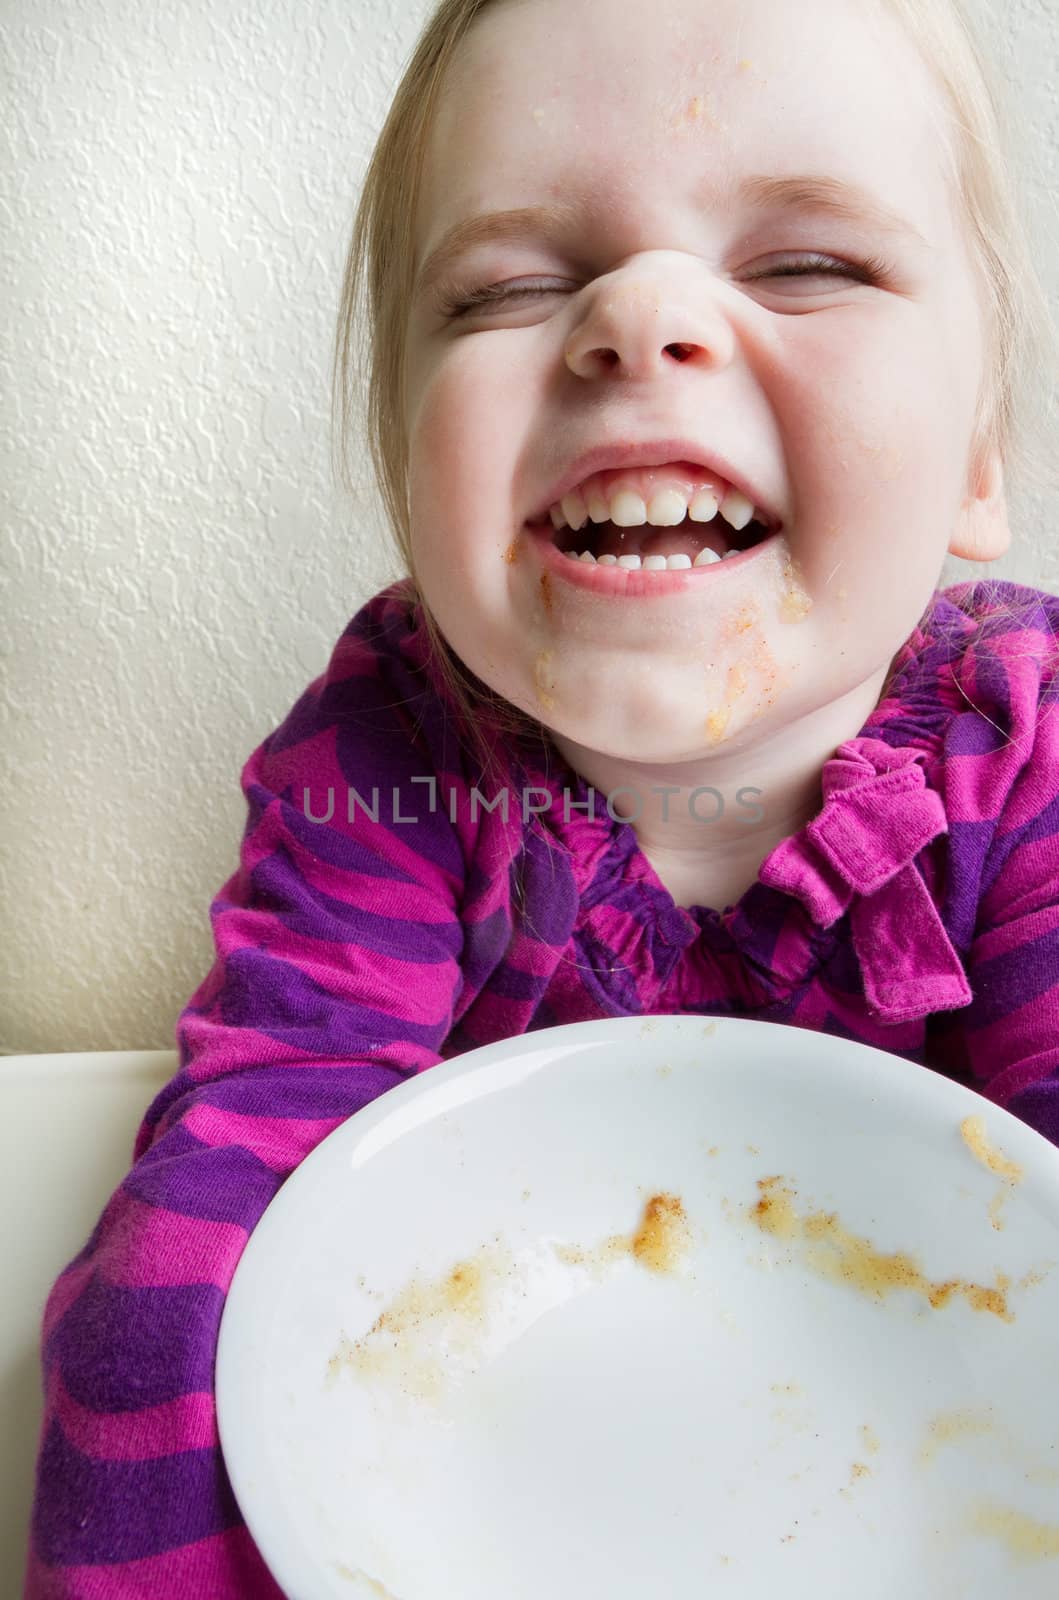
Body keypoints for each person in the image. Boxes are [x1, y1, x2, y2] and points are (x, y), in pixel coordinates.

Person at [25, 0, 1059, 1592]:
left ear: (979, 456)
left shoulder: (1030, 746)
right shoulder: (389, 761)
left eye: (806, 265)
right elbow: (217, 1235)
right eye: (510, 288)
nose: (640, 321)